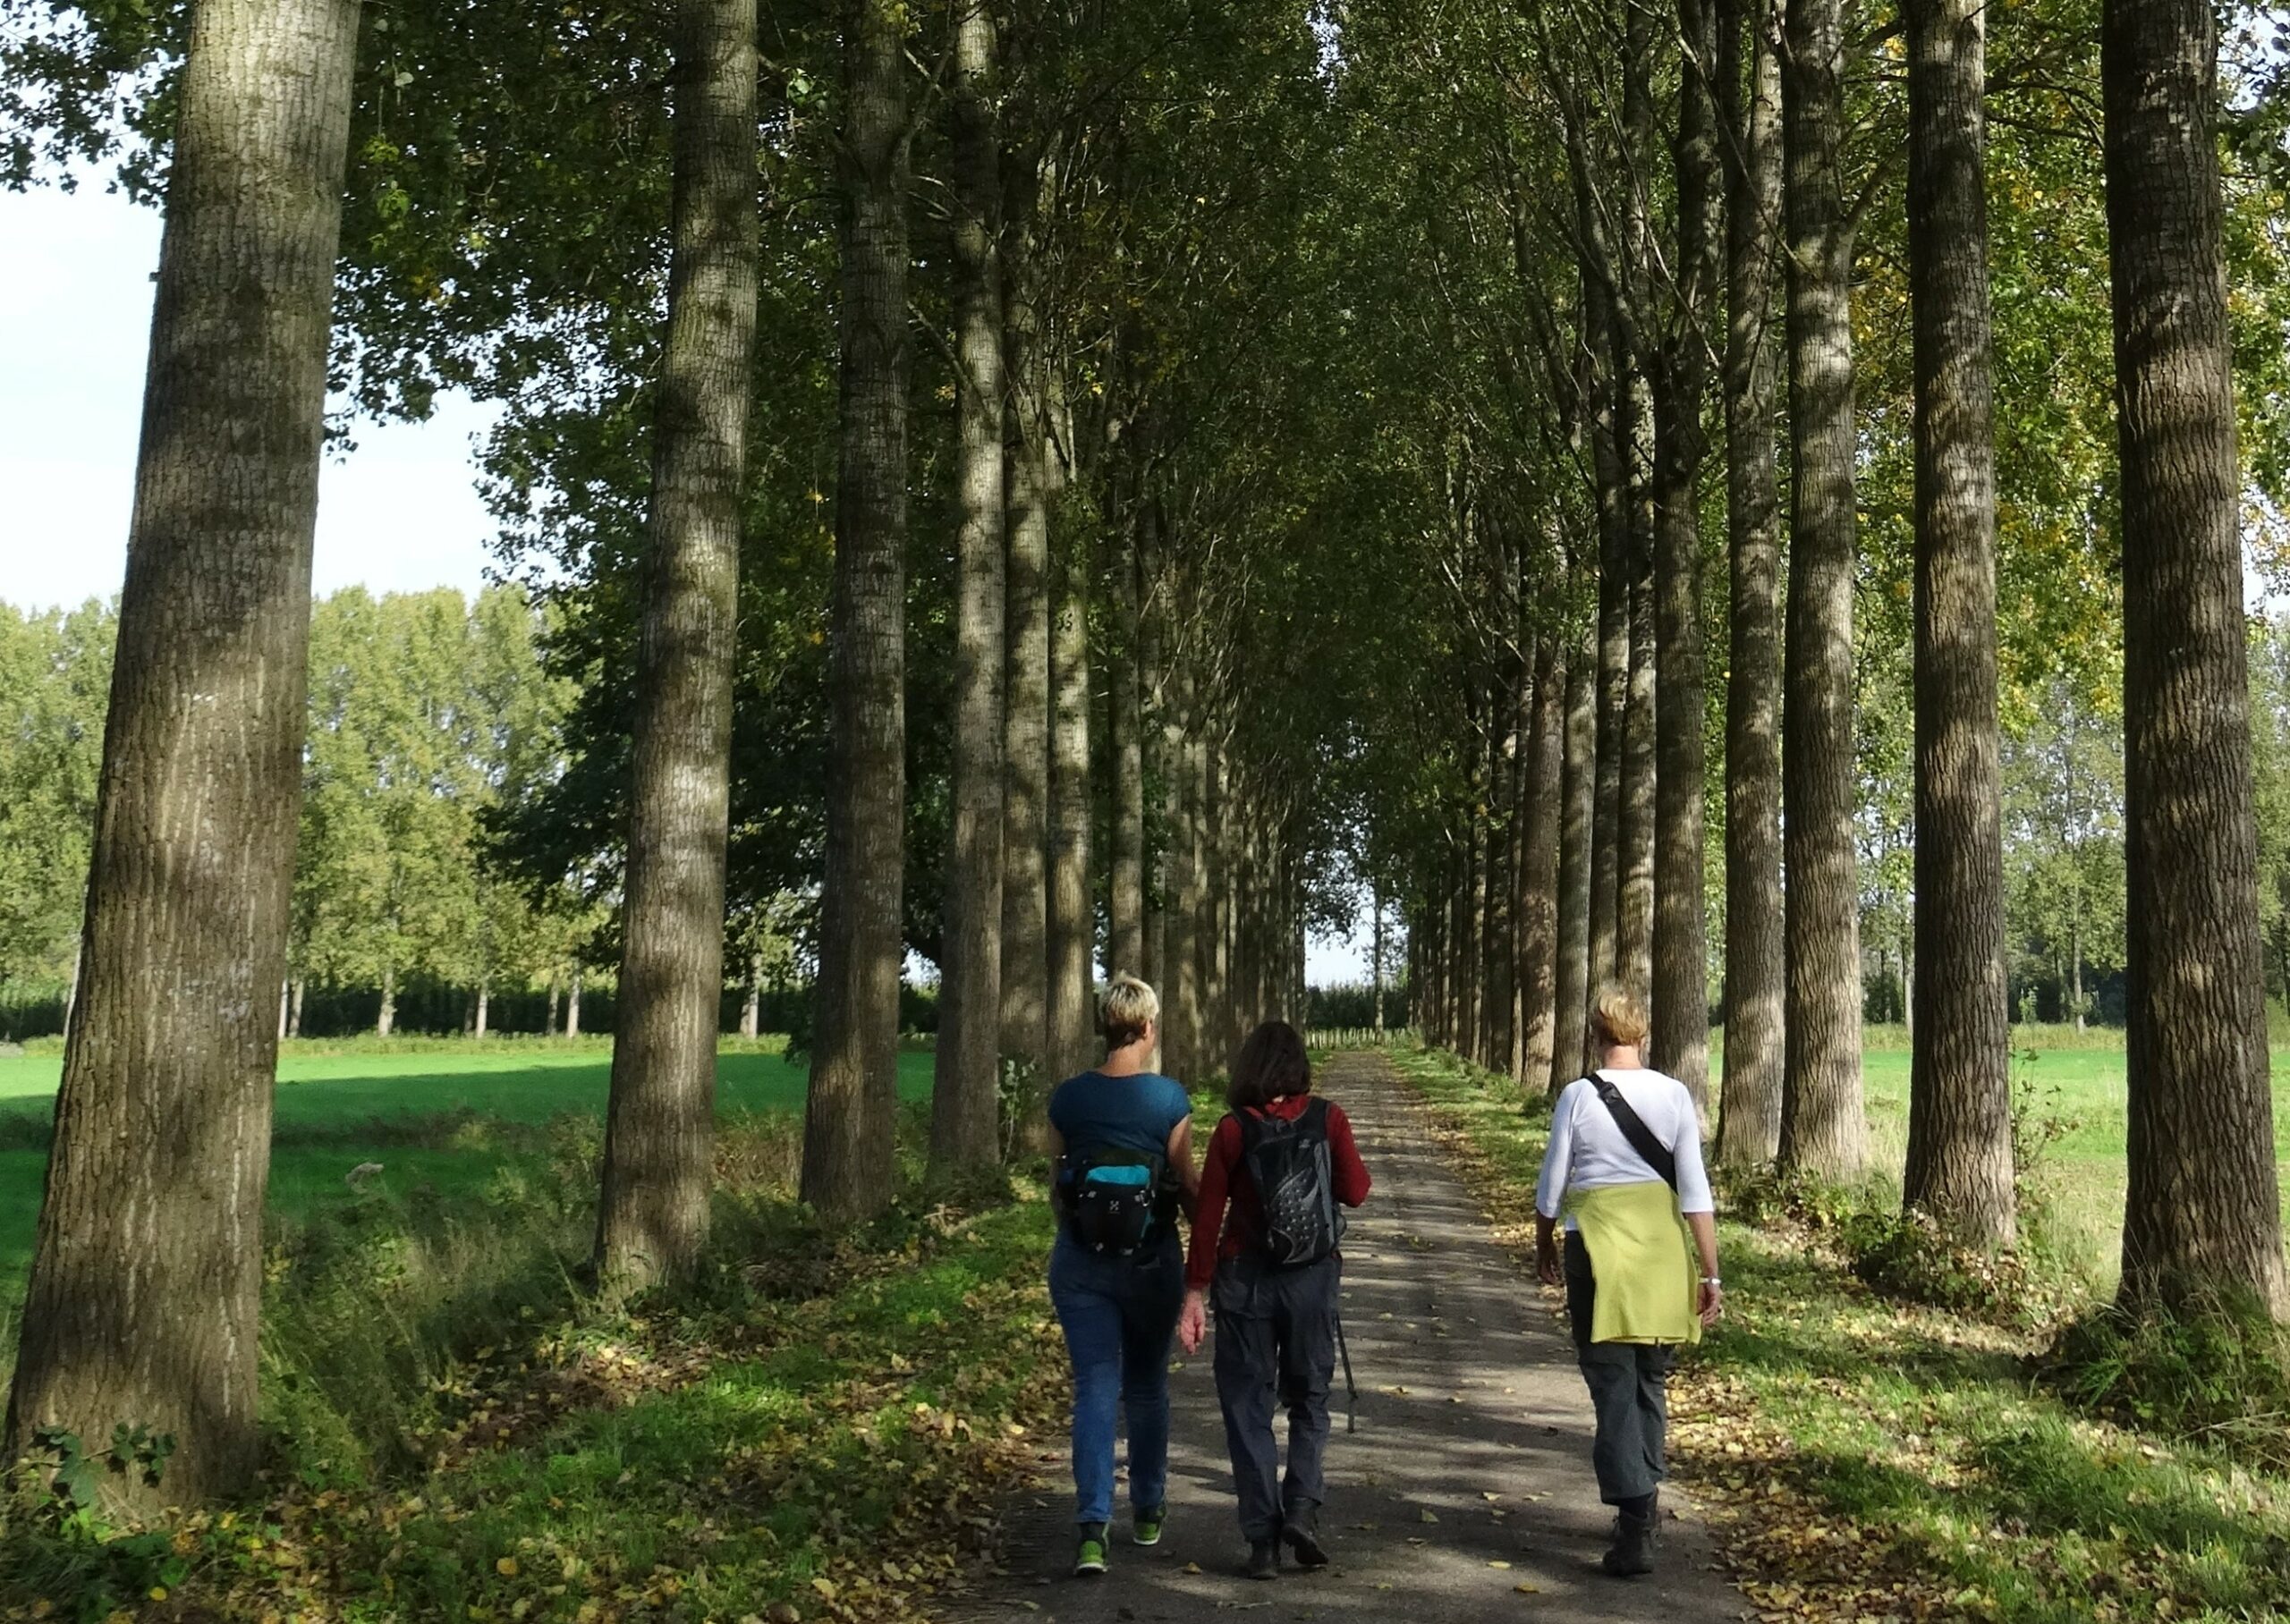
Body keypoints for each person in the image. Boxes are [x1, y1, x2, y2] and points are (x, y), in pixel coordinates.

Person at [1533, 987, 1723, 1578]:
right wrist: (1711, 1272)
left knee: (1611, 1381)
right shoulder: (1673, 1095)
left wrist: (1544, 1244)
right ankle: (1642, 1499)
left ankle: (1636, 1514)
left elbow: (1551, 1184)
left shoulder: (1576, 1096)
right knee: (1650, 1379)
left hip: (1596, 1244)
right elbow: (1695, 1193)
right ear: (1642, 1037)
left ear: (1596, 1036)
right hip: (1663, 1250)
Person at [1177, 1020, 1371, 1581]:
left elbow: (1209, 1216)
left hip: (1246, 1282)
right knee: (1311, 1397)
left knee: (1247, 1406)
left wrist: (1195, 1294)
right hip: (1311, 1280)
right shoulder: (1328, 1117)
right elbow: (1356, 1192)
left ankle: (1262, 1541)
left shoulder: (1233, 1131)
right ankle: (1303, 1511)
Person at [1047, 973, 1200, 1578]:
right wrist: (1208, 1252)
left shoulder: (1068, 1098)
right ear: (1148, 1028)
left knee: (1093, 1386)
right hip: (1153, 1263)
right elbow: (1186, 1184)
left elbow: (1058, 1184)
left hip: (1080, 1264)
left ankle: (1091, 1530)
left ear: (1103, 1027)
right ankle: (1148, 1509)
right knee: (1145, 1386)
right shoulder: (1168, 1101)